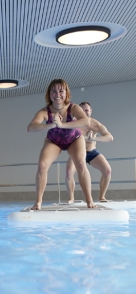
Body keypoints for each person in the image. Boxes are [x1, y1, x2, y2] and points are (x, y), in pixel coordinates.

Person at [27, 79, 95, 210]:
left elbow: (85, 122)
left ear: (66, 93)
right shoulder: (44, 111)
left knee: (81, 163)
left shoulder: (73, 108)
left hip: (74, 139)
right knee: (42, 166)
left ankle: (89, 199)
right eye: (53, 91)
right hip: (54, 141)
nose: (57, 94)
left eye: (61, 91)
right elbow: (30, 128)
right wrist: (52, 124)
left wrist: (62, 125)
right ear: (49, 94)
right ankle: (38, 202)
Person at [65, 102, 113, 203]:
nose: (84, 112)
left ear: (91, 111)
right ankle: (71, 198)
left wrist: (94, 138)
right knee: (69, 172)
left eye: (86, 110)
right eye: (82, 110)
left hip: (91, 152)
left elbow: (110, 138)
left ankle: (102, 197)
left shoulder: (96, 124)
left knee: (107, 170)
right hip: (77, 152)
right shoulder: (73, 123)